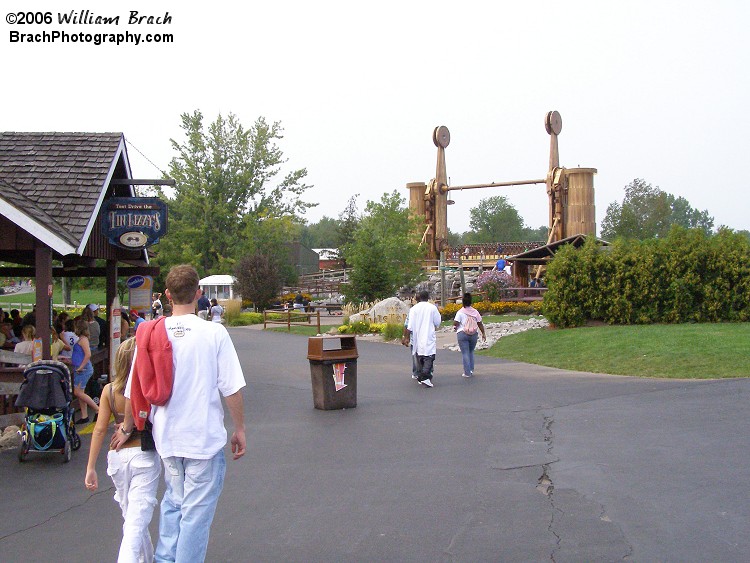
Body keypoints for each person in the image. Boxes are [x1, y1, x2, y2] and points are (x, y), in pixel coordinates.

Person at [117, 264, 246, 562]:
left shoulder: (147, 334)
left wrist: (126, 427)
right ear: (199, 294)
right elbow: (231, 388)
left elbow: (133, 387)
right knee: (195, 516)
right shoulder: (214, 333)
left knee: (174, 505)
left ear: (167, 294)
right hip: (202, 439)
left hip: (167, 438)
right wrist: (239, 428)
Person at [85, 337, 161, 563]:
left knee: (133, 520)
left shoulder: (108, 391)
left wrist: (90, 467)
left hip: (116, 459)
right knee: (135, 524)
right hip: (143, 455)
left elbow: (99, 430)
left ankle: (148, 559)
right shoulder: (148, 389)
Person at [402, 289, 441, 388]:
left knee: (419, 357)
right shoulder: (432, 308)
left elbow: (409, 326)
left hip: (416, 337)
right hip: (428, 336)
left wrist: (405, 337)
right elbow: (437, 322)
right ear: (428, 298)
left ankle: (421, 375)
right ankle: (425, 377)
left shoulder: (413, 309)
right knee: (430, 357)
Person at [72, 317, 99, 424]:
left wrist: (81, 367)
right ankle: (84, 415)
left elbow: (88, 354)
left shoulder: (83, 340)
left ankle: (97, 409)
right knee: (80, 393)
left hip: (83, 369)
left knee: (77, 392)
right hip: (80, 368)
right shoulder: (82, 339)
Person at [453, 293, 487, 378]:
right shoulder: (475, 312)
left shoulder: (460, 312)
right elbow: (480, 323)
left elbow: (456, 322)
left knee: (465, 353)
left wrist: (455, 326)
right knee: (471, 352)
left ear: (463, 302)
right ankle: (471, 370)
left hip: (462, 333)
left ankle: (467, 372)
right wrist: (483, 333)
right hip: (473, 334)